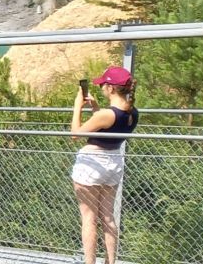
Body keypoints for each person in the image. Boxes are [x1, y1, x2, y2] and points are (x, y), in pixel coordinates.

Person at [71, 66, 136, 264]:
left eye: (103, 85)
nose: (101, 88)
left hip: (92, 164)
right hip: (114, 161)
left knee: (89, 219)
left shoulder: (106, 115)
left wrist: (77, 106)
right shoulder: (133, 112)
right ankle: (110, 262)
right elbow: (107, 127)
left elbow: (75, 134)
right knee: (108, 217)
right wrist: (95, 108)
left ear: (111, 88)